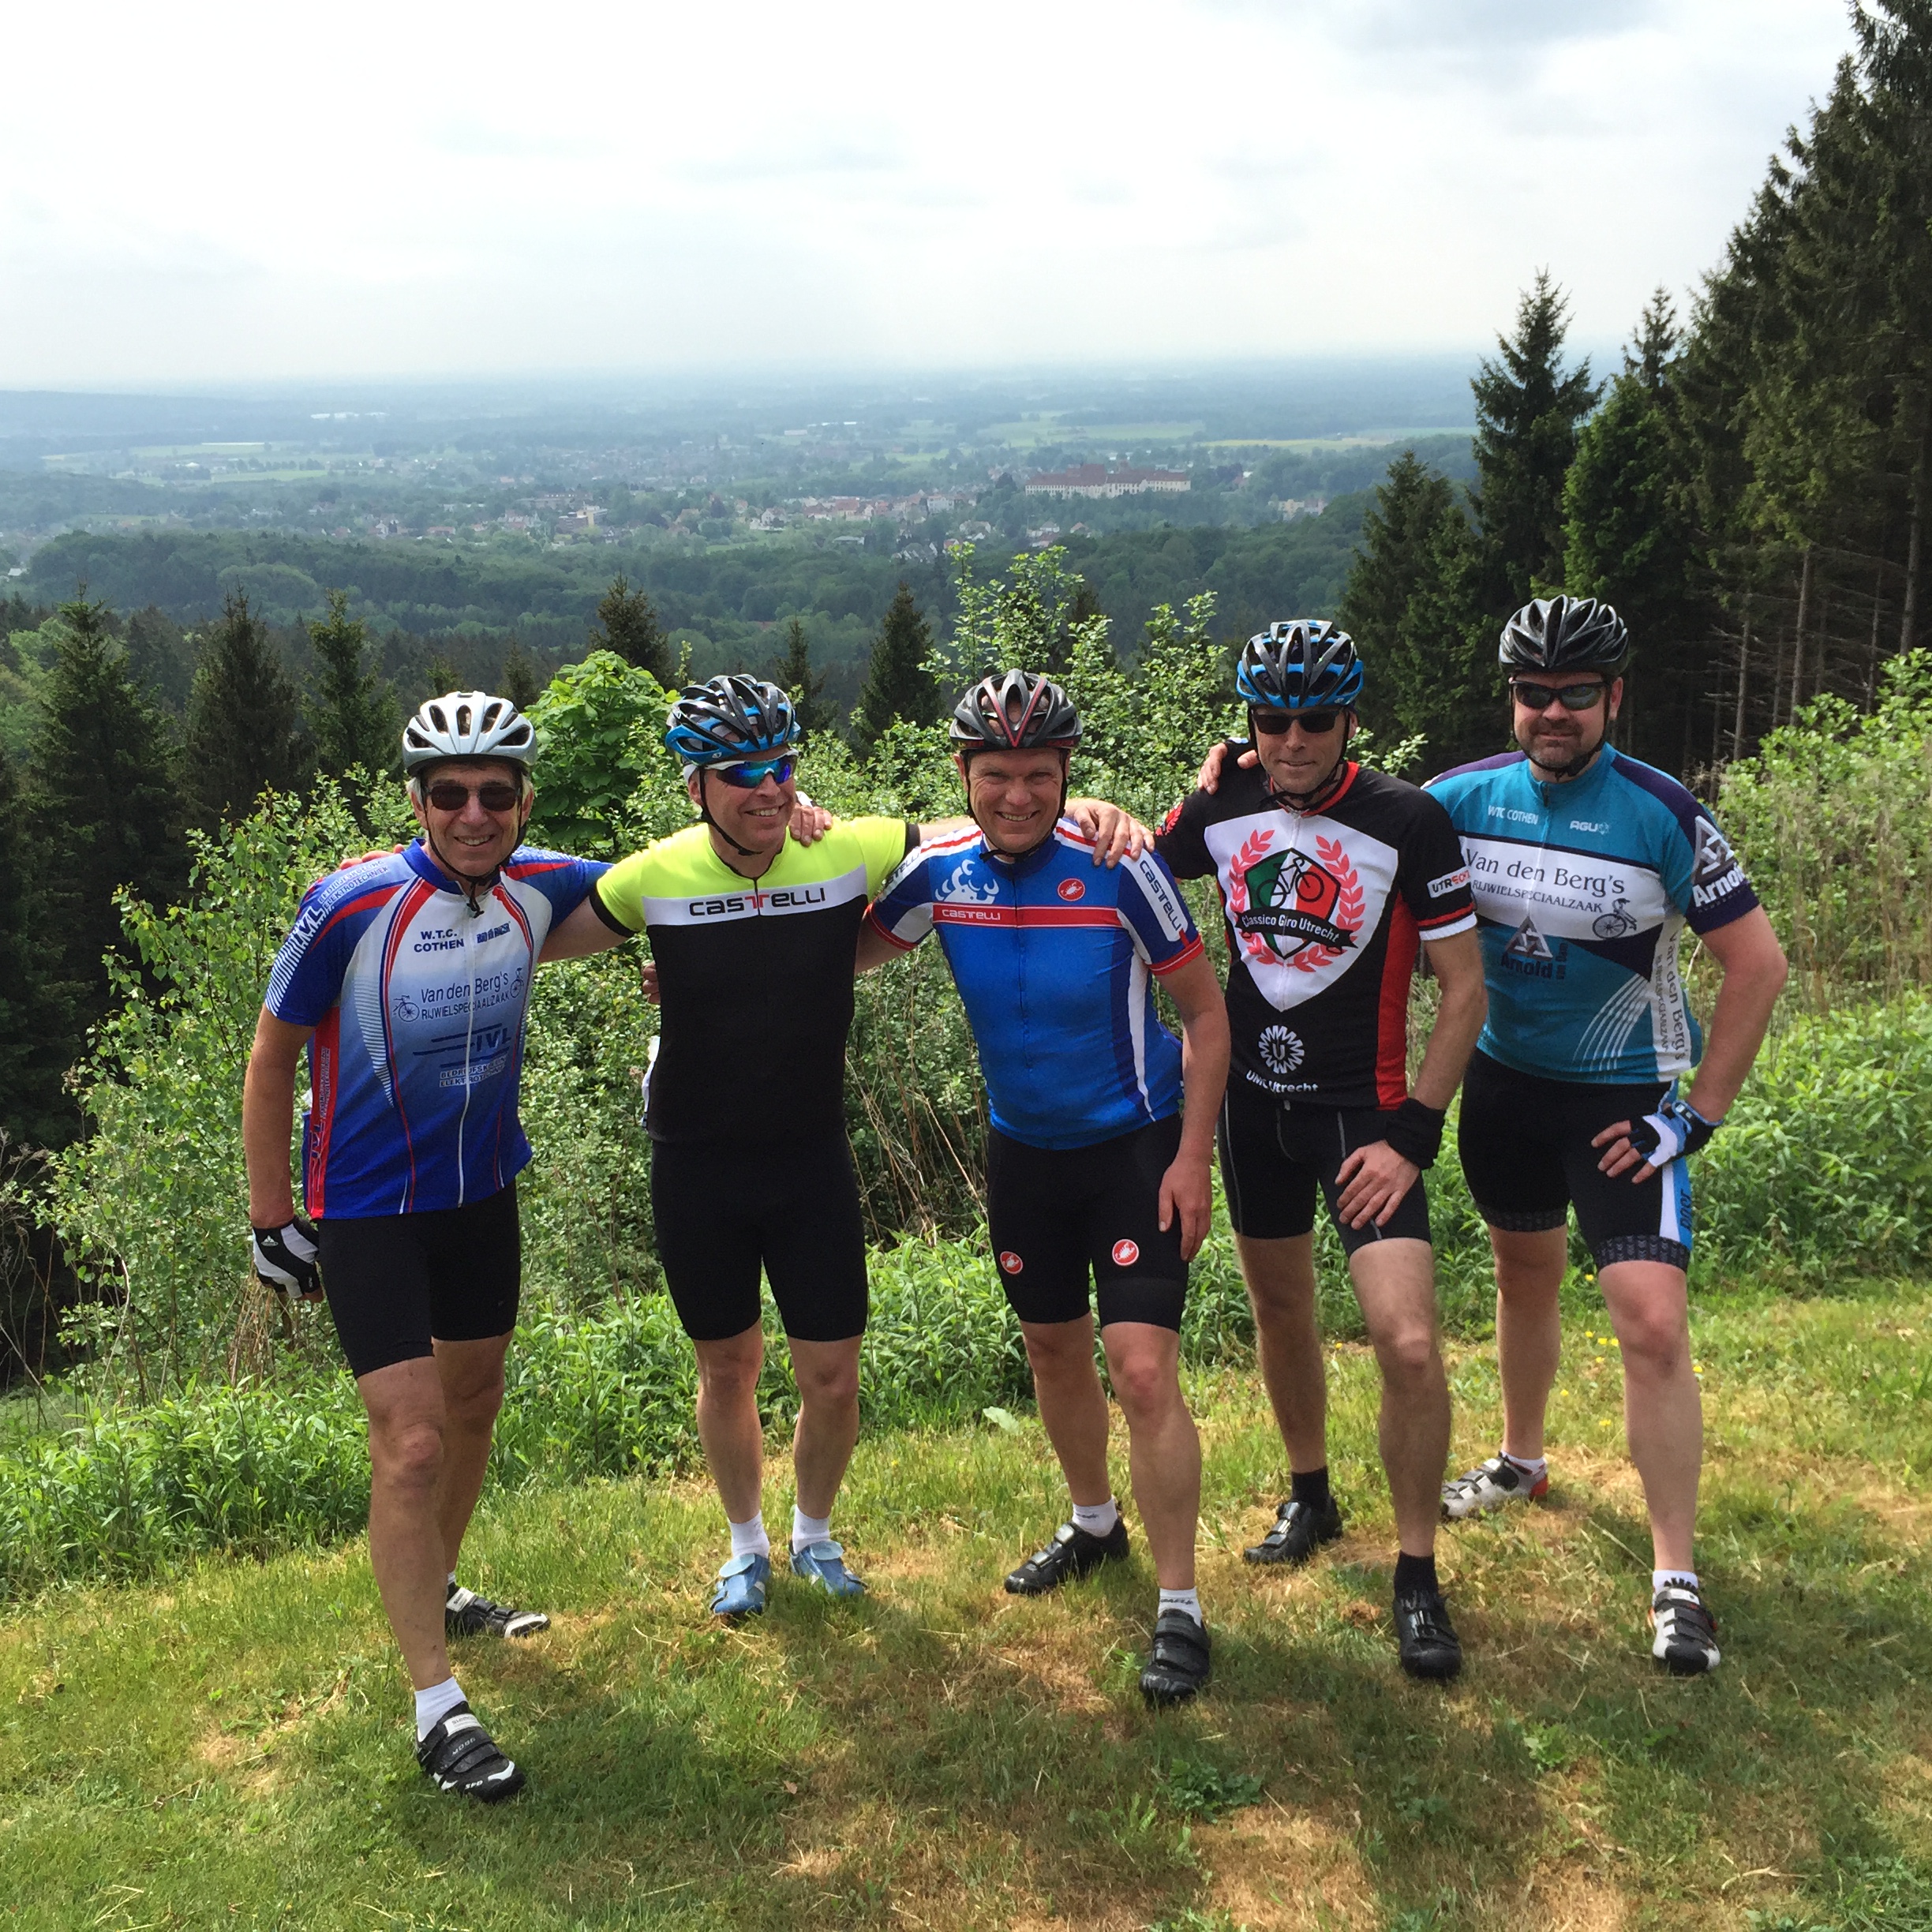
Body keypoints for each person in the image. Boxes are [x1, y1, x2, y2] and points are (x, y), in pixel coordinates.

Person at [549, 674, 1151, 1623]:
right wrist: (424, 866)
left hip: (808, 1160)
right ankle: (745, 1546)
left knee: (832, 1374)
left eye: (782, 766)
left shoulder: (850, 848)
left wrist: (1090, 805)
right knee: (727, 1369)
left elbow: (995, 820)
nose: (768, 787)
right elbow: (528, 929)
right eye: (740, 771)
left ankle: (814, 1534)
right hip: (695, 1162)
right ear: (694, 785)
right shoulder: (650, 876)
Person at [244, 691, 616, 1803]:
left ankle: (443, 1584)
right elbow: (268, 1061)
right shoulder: (351, 903)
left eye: (493, 794)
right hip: (366, 1212)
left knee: (473, 1404)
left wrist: (790, 813)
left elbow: (680, 878)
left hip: (479, 1193)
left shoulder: (543, 887)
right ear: (416, 800)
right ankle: (435, 1705)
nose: (471, 813)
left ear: (522, 802)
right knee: (409, 1443)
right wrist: (272, 1218)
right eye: (447, 794)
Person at [1425, 596, 1787, 1676]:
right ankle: (1523, 1460)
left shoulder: (1663, 815)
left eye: (1575, 696)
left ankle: (1676, 1577)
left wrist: (1695, 1119)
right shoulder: (1457, 801)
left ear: (1613, 698)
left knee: (1650, 1323)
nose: (1552, 714)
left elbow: (1756, 967)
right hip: (1503, 1092)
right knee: (1522, 1276)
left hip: (1624, 1104)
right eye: (1533, 694)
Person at [860, 669, 1230, 1705]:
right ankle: (1094, 1523)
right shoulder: (937, 873)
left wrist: (1194, 1158)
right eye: (994, 775)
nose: (1016, 795)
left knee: (1143, 1369)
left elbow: (1206, 1018)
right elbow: (835, 954)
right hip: (1023, 1151)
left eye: (1037, 774)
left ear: (1067, 774)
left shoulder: (1121, 870)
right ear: (963, 777)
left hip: (1135, 1146)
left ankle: (1180, 1604)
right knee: (1054, 1347)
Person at [1177, 620, 1488, 1681]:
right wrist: (1110, 802)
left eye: (1315, 719)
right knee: (1279, 1309)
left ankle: (1415, 1571)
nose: (1293, 738)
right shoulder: (1220, 802)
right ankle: (1310, 1493)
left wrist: (1416, 1134)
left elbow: (1467, 991)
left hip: (1367, 1114)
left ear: (1350, 719)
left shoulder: (1410, 818)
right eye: (1273, 719)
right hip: (1249, 1107)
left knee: (1405, 1342)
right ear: (1249, 722)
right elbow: (1113, 858)